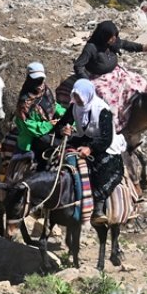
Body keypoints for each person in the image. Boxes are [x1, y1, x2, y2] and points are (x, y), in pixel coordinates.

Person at [55, 79, 126, 226]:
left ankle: (98, 208)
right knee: (56, 154)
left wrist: (90, 149)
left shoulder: (102, 110)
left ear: (88, 95)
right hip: (84, 140)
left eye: (81, 97)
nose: (78, 100)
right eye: (76, 97)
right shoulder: (75, 107)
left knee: (103, 170)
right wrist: (63, 129)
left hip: (105, 147)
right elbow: (63, 122)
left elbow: (106, 138)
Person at [70, 20, 147, 127]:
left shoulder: (113, 41)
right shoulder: (91, 48)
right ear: (103, 36)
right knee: (109, 100)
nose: (114, 39)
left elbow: (125, 44)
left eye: (115, 36)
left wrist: (142, 47)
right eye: (111, 37)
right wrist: (87, 82)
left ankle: (136, 112)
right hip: (98, 78)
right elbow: (78, 66)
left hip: (116, 72)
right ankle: (115, 125)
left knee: (140, 84)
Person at [15, 62, 66, 168]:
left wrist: (63, 114)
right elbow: (28, 126)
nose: (39, 82)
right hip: (33, 136)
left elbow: (52, 105)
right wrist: (48, 125)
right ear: (29, 79)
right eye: (36, 80)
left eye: (41, 79)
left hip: (51, 126)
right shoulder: (24, 102)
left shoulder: (45, 91)